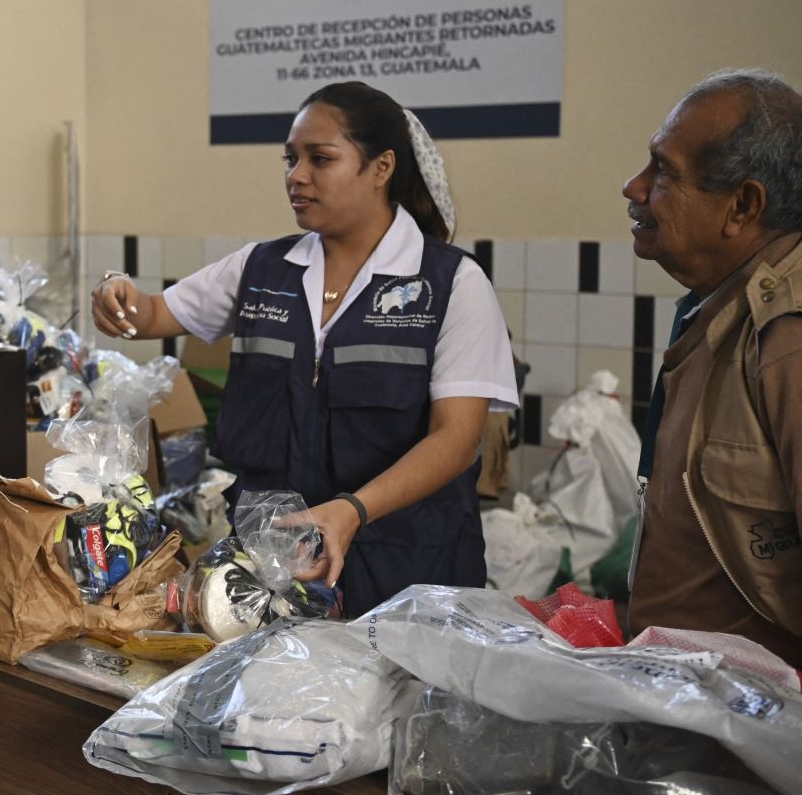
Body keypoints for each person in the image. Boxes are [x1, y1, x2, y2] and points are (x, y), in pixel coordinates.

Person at [92, 82, 517, 617]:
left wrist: (352, 511)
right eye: (291, 159)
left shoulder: (450, 283)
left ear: (381, 167)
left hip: (410, 573)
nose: (296, 175)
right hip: (277, 570)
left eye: (321, 159)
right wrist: (117, 295)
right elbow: (152, 314)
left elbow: (457, 439)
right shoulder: (263, 269)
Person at [623, 68, 802, 665]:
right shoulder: (715, 304)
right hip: (687, 720)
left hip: (758, 737)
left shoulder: (786, 335)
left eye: (664, 171)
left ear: (742, 206)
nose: (634, 187)